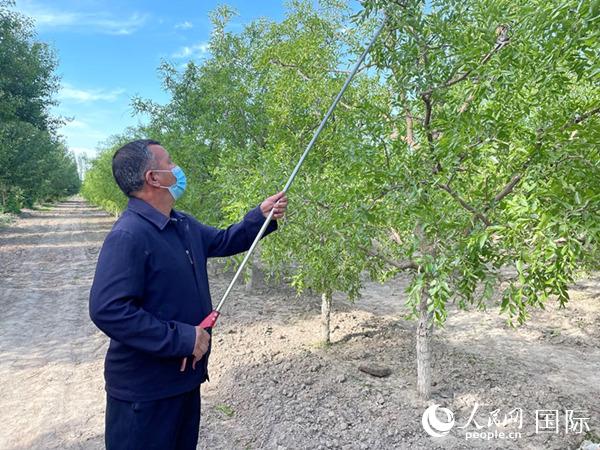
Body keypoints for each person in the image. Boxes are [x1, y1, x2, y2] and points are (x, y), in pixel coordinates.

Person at [89, 139, 287, 450]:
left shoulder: (180, 223)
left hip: (182, 380)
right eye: (169, 162)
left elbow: (223, 240)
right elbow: (108, 310)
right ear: (154, 178)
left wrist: (260, 217)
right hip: (145, 393)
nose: (177, 169)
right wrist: (181, 338)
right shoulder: (129, 235)